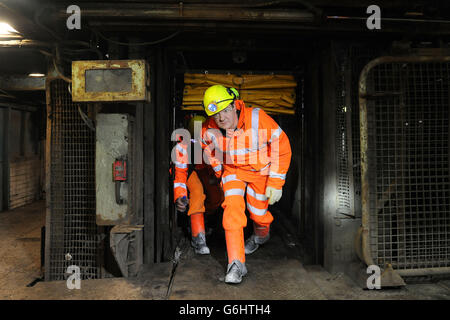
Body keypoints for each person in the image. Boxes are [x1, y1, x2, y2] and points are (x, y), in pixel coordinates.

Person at [200, 85, 292, 284]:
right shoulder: (209, 129)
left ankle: (261, 235)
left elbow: (282, 147)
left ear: (235, 106)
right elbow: (208, 151)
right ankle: (236, 264)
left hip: (260, 173)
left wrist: (276, 182)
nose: (221, 118)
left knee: (258, 214)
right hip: (233, 171)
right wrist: (219, 173)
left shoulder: (257, 119)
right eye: (216, 115)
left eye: (225, 111)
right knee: (232, 210)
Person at [173, 115, 224, 255]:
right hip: (189, 171)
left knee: (216, 197)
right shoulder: (182, 148)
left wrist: (219, 180)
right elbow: (180, 175)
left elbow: (218, 166)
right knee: (197, 194)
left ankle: (204, 218)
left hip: (204, 170)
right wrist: (180, 197)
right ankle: (198, 238)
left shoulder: (212, 144)